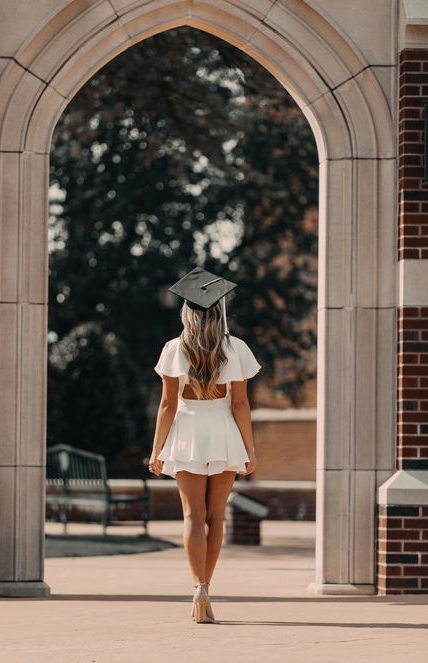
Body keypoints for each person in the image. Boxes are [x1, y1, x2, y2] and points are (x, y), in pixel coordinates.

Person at [148, 267, 262, 624]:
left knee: (192, 516)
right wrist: (250, 450)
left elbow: (167, 404)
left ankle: (197, 586)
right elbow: (240, 404)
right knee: (215, 517)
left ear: (187, 312)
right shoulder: (236, 348)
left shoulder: (174, 349)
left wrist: (156, 450)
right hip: (224, 432)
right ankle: (208, 584)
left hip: (188, 432)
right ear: (220, 311)